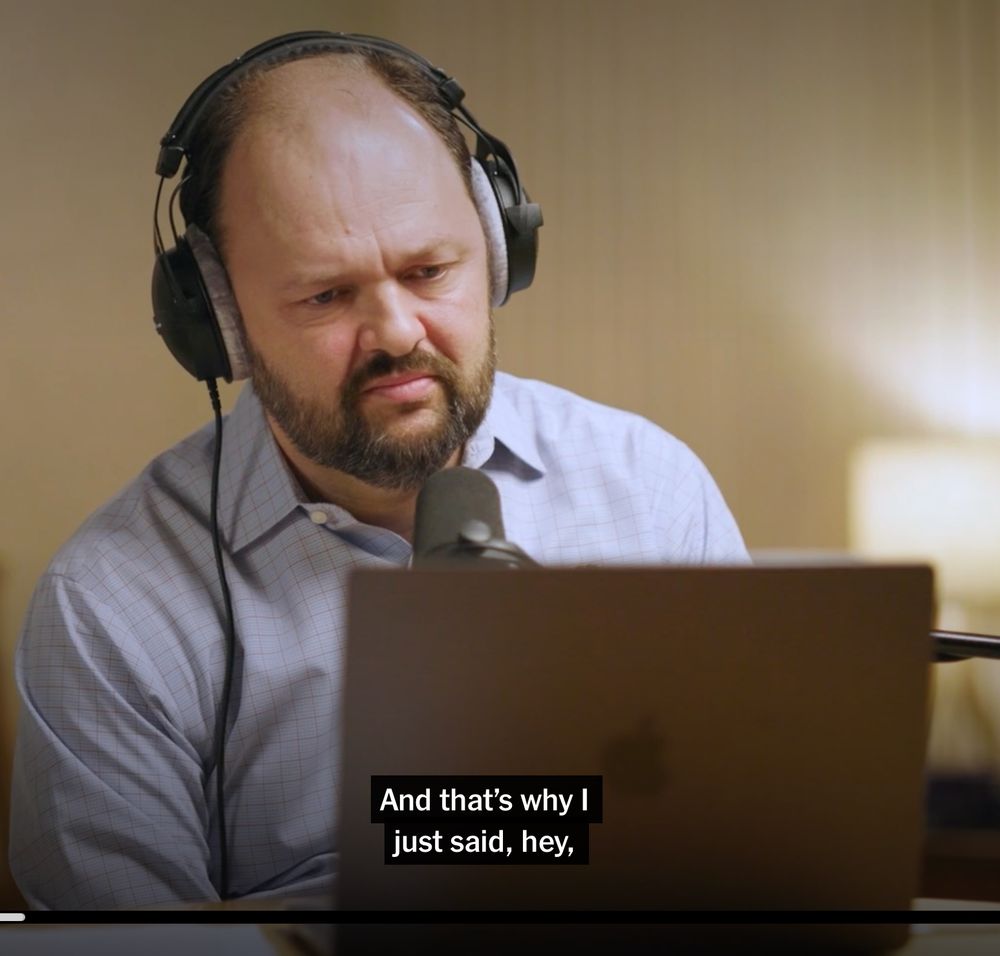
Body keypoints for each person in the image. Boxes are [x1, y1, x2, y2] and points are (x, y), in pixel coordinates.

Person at [9, 33, 747, 910]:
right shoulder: (111, 606)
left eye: (430, 270)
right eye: (325, 295)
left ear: (499, 247)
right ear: (221, 321)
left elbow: (758, 861)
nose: (398, 332)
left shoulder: (652, 495)